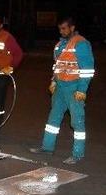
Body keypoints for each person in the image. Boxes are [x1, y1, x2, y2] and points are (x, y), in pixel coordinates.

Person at [30, 17, 95, 164]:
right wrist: (53, 81)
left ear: (72, 28)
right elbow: (57, 65)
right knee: (53, 119)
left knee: (77, 122)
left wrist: (82, 89)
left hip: (74, 87)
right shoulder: (60, 45)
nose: (61, 31)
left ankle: (77, 154)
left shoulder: (81, 43)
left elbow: (88, 69)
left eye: (64, 28)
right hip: (60, 87)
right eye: (60, 29)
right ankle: (47, 147)